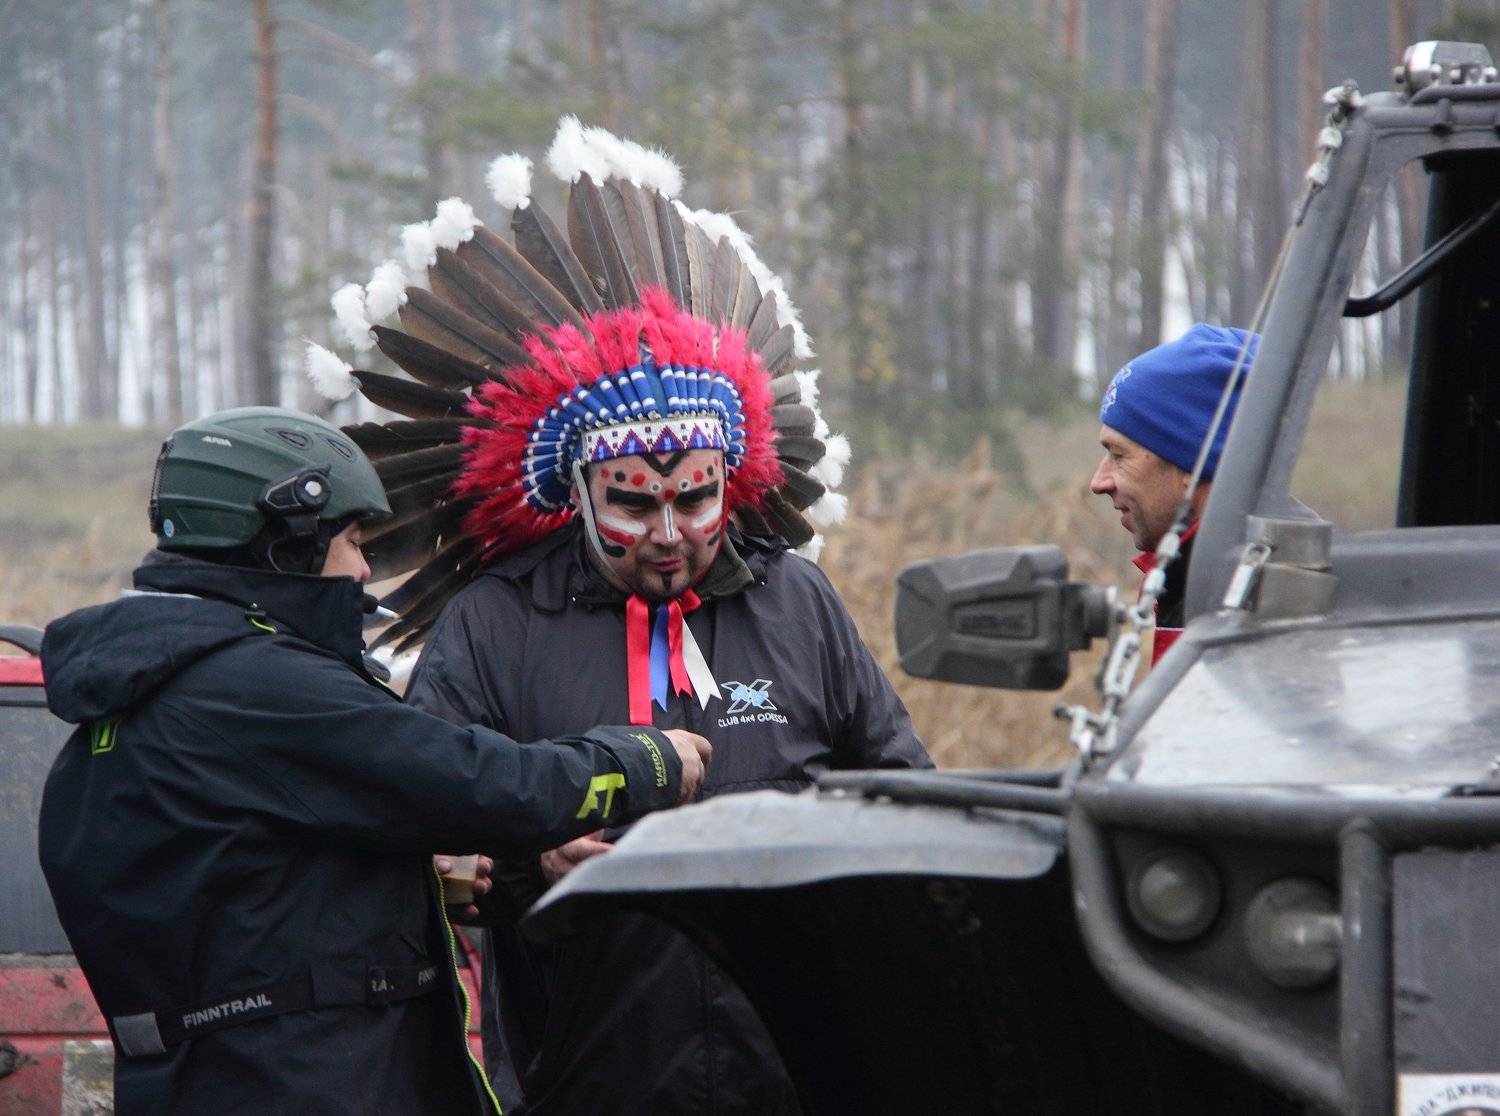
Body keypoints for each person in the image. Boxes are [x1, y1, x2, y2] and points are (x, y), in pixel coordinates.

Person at [307, 119, 933, 1114]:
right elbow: (418, 828)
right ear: (576, 490)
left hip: (793, 1075)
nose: (670, 533)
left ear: (733, 478)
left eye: (697, 497)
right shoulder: (495, 625)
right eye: (635, 504)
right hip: (588, 1074)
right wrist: (529, 859)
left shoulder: (797, 602)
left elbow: (903, 792)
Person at [37, 406, 710, 1116]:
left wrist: (408, 879)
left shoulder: (141, 696)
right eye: (354, 542)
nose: (364, 571)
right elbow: (477, 782)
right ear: (285, 544)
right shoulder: (257, 688)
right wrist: (639, 760)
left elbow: (251, 893)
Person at [1089, 323, 1259, 663]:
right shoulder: (1194, 583)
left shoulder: (1273, 601)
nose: (1098, 482)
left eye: (1119, 455)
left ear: (1194, 465)